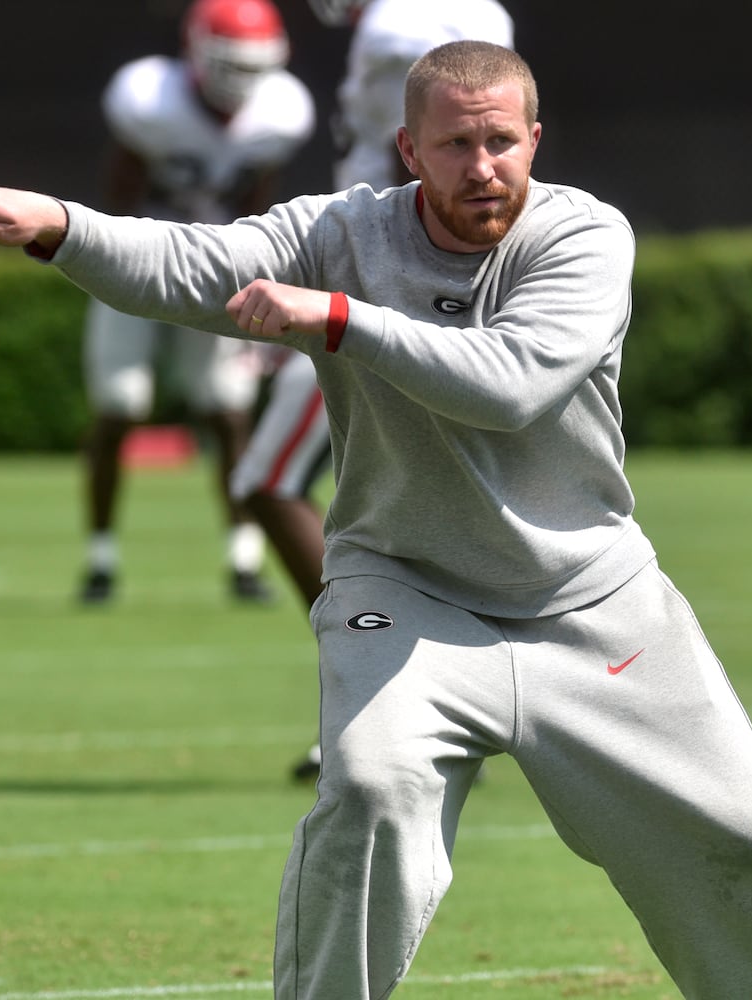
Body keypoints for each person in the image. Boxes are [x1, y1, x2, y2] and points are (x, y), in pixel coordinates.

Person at [0, 40, 752, 1000]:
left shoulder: (584, 237)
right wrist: (62, 227)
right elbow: (200, 262)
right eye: (454, 145)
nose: (480, 167)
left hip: (591, 602)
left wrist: (337, 319)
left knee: (748, 843)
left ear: (536, 140)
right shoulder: (341, 230)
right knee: (370, 792)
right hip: (404, 592)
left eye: (500, 141)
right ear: (408, 149)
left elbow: (512, 383)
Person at [232, 0, 517, 782]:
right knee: (410, 509)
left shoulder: (409, 24)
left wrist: (398, 279)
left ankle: (395, 701)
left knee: (269, 479)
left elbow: (443, 150)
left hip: (375, 297)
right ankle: (422, 703)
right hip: (377, 287)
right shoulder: (405, 23)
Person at [77, 0, 315, 604]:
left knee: (227, 408)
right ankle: (100, 558)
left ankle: (243, 559)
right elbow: (119, 193)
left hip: (215, 262)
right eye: (230, 62)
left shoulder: (278, 114)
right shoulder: (150, 101)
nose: (241, 77)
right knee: (119, 406)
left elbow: (259, 204)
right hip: (137, 256)